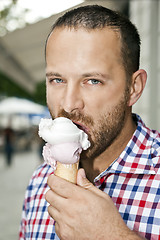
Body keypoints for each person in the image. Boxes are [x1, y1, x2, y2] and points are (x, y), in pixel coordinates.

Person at [19, 5, 160, 240]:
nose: (69, 103)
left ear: (134, 88)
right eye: (57, 80)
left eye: (92, 81)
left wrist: (112, 235)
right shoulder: (40, 181)